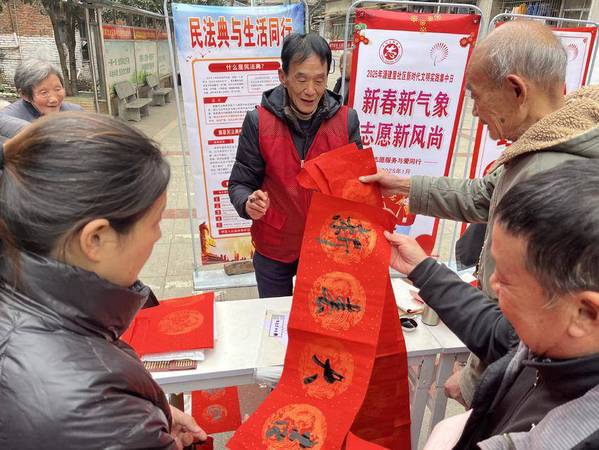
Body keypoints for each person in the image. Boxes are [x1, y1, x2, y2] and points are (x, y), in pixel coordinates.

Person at [361, 20, 599, 406]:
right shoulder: (547, 144)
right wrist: (404, 186)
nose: (474, 111)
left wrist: (477, 381)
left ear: (516, 89)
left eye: (476, 95)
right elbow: (484, 196)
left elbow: (529, 327)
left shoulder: (550, 176)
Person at [0, 113, 207, 449]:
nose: (159, 235)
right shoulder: (96, 412)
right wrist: (133, 426)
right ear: (95, 238)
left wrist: (151, 416)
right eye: (155, 222)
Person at [387, 160, 599, 449]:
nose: (492, 283)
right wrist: (423, 269)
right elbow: (497, 330)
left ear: (585, 314)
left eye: (507, 280)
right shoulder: (551, 344)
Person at [228, 33, 362, 298]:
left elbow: (356, 188)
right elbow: (241, 183)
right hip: (274, 244)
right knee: (274, 314)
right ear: (283, 76)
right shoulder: (258, 122)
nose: (310, 90)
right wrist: (247, 203)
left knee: (319, 318)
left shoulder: (346, 121)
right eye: (301, 79)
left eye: (319, 80)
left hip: (327, 246)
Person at [0, 59, 83, 122]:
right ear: (25, 95)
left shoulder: (76, 113)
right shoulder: (8, 121)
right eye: (44, 93)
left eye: (58, 89)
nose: (54, 99)